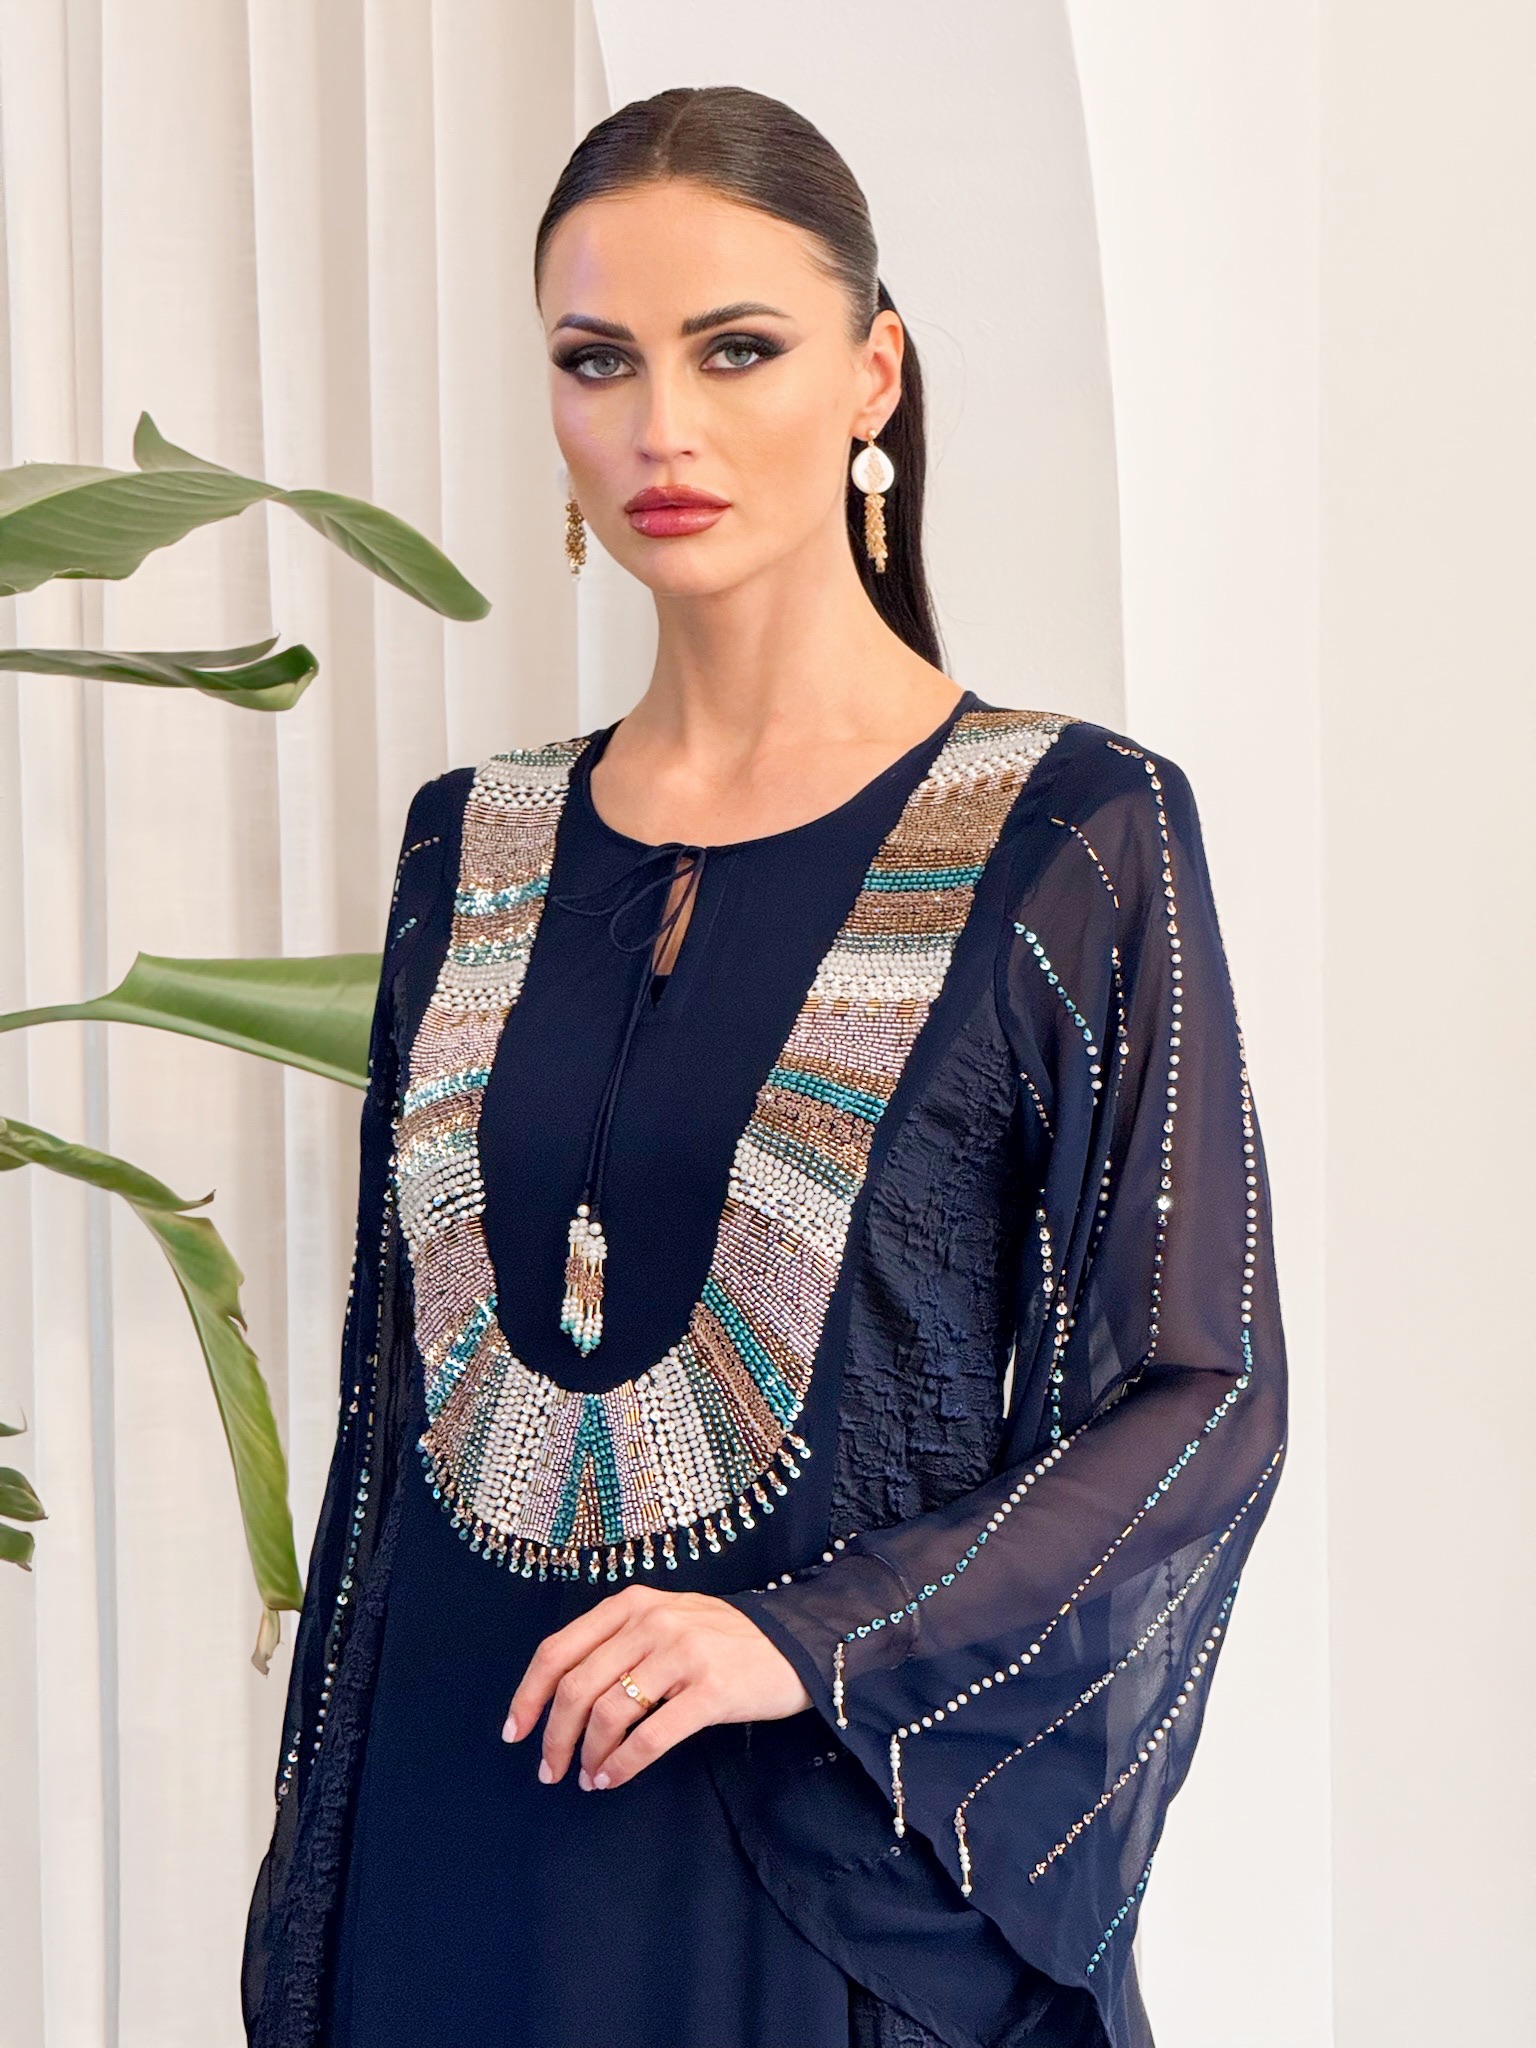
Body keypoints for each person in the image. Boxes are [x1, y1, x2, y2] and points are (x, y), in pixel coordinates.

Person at [242, 84, 1288, 2048]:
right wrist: (316, 1908)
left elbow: (1199, 1394)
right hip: (448, 1865)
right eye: (597, 361)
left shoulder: (1075, 832)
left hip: (808, 1880)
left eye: (737, 350)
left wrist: (806, 1637)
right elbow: (392, 1423)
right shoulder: (472, 845)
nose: (664, 426)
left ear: (870, 374)